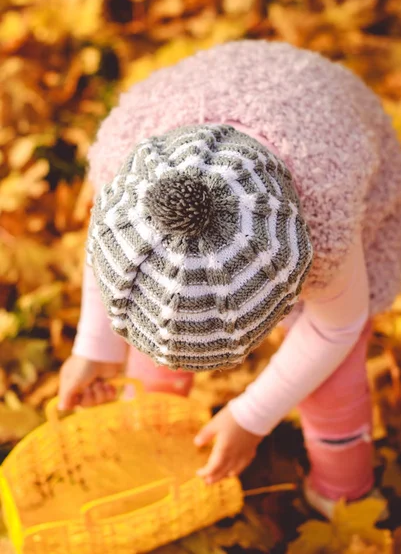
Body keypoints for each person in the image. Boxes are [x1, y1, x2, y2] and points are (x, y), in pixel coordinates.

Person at [58, 40, 401, 519]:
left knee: (332, 380)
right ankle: (155, 445)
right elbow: (108, 249)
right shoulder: (125, 168)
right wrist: (95, 347)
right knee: (158, 334)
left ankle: (342, 497)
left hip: (331, 129)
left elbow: (335, 327)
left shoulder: (328, 228)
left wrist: (251, 416)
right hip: (211, 93)